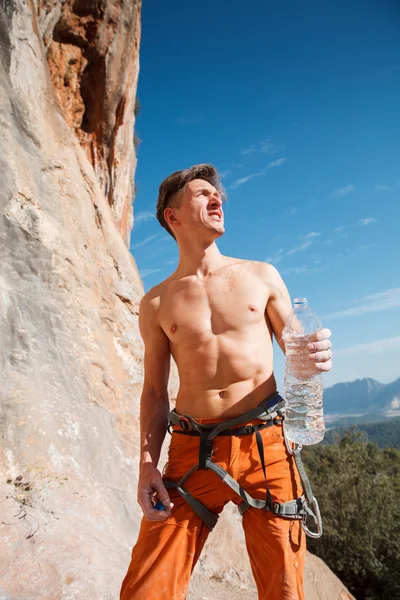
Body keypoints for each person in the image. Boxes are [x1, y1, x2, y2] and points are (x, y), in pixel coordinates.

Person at [120, 164, 332, 600]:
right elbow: (155, 393)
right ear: (171, 216)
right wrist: (146, 465)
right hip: (192, 448)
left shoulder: (261, 275)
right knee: (146, 588)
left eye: (217, 195)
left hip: (266, 444)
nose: (217, 199)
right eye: (202, 195)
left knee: (284, 589)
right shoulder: (156, 303)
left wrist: (315, 357)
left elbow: (298, 354)